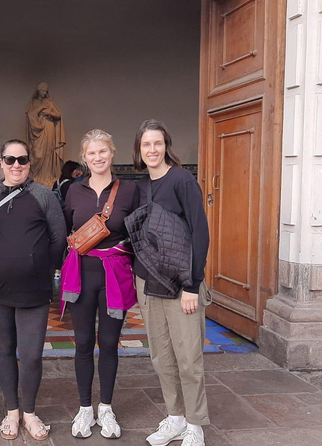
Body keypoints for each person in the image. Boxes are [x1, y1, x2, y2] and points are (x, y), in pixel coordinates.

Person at [0, 139, 66, 441]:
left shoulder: (44, 196)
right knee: (2, 350)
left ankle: (29, 411)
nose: (16, 165)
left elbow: (58, 238)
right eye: (10, 160)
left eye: (22, 160)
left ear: (30, 163)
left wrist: (39, 266)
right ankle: (11, 411)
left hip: (34, 291)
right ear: (0, 162)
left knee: (31, 354)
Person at [131, 119, 211, 446]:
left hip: (181, 284)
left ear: (166, 146)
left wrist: (192, 285)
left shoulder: (182, 180)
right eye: (146, 144)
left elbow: (199, 233)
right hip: (148, 283)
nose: (152, 150)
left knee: (188, 357)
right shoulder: (141, 186)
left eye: (157, 143)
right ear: (139, 150)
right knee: (161, 356)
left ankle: (195, 425)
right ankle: (175, 417)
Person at [61, 129, 139, 439]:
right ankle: (84, 409)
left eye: (103, 151)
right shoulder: (73, 192)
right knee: (82, 343)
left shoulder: (130, 192)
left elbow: (139, 233)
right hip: (82, 274)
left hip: (114, 276)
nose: (98, 157)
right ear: (84, 158)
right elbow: (67, 230)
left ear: (112, 153)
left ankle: (105, 407)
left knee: (108, 344)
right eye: (92, 153)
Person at [26, 82, 66, 188]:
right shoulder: (33, 102)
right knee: (37, 154)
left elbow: (58, 114)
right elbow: (30, 114)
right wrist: (41, 108)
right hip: (37, 133)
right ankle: (37, 176)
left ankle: (47, 176)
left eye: (45, 91)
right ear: (38, 91)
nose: (44, 93)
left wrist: (49, 113)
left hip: (49, 129)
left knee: (48, 153)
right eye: (42, 91)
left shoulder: (49, 102)